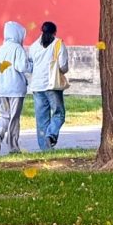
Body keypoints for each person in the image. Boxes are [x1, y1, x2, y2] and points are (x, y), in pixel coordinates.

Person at [0, 21, 32, 154]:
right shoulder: (18, 49)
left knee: (4, 115)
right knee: (14, 118)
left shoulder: (3, 48)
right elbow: (21, 66)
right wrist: (32, 65)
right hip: (16, 90)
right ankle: (13, 147)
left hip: (2, 90)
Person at [29, 21, 69, 150]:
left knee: (41, 119)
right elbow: (63, 66)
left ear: (41, 31)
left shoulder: (33, 46)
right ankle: (51, 135)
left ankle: (45, 149)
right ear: (55, 32)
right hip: (52, 85)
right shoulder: (58, 44)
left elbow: (31, 64)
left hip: (37, 86)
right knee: (59, 114)